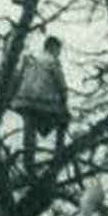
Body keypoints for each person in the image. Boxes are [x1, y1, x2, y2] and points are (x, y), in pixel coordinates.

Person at [11, 36, 70, 169]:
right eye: (58, 50)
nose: (59, 53)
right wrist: (65, 106)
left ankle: (28, 160)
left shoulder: (30, 59)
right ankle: (58, 157)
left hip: (23, 101)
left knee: (29, 130)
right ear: (52, 47)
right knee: (63, 121)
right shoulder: (52, 61)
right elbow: (62, 86)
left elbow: (17, 78)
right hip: (42, 103)